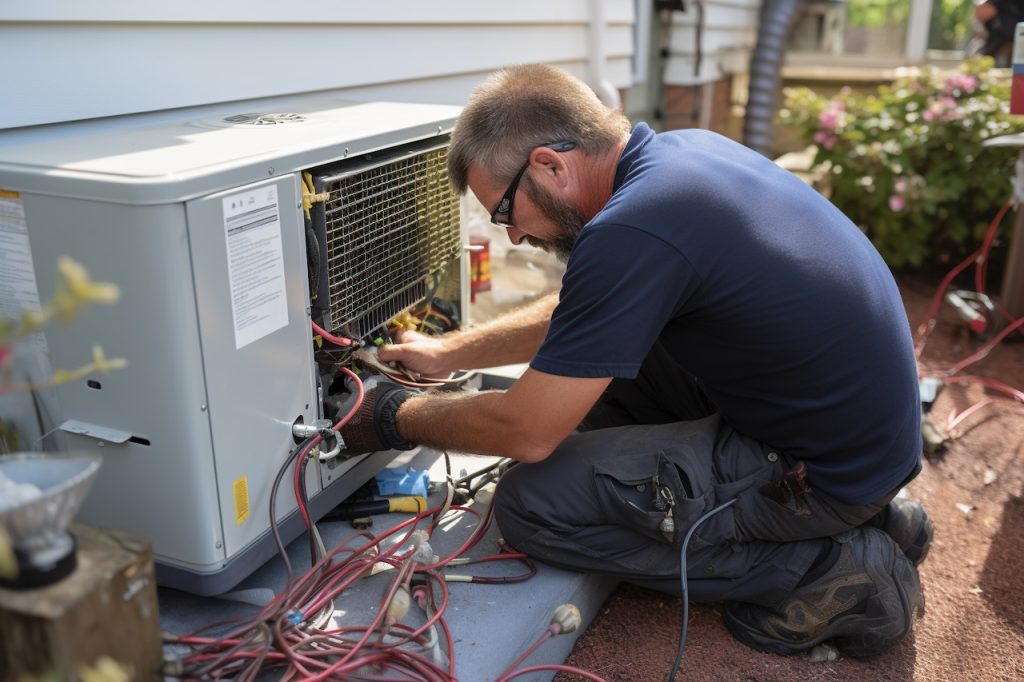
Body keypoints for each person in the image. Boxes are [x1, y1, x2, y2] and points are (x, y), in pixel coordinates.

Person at [339, 63, 931, 657]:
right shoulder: (681, 156)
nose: (512, 236)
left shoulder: (634, 229)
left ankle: (832, 570)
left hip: (816, 475)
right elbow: (584, 314)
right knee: (610, 381)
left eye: (504, 212)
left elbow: (526, 431)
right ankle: (877, 519)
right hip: (860, 445)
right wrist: (448, 352)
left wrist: (391, 415)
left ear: (548, 164)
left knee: (531, 504)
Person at [973, 0, 1024, 66]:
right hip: (1014, 41)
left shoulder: (1006, 3)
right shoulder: (990, 22)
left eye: (981, 14)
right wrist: (984, 53)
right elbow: (994, 38)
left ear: (986, 5)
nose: (983, 17)